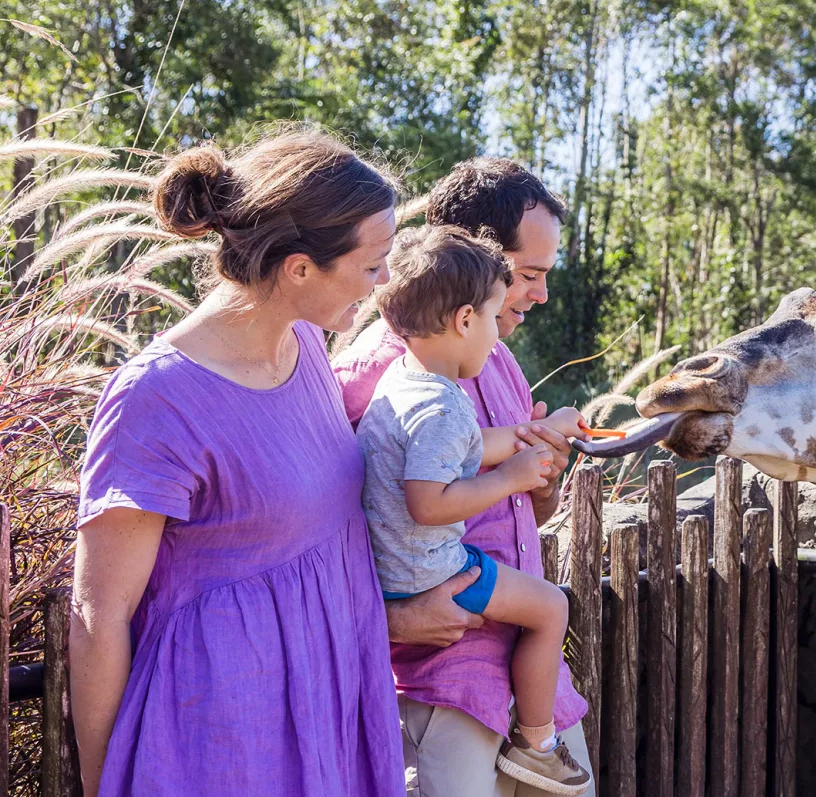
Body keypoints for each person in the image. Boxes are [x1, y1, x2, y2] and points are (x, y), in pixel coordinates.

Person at [70, 128, 403, 797]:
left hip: (326, 702)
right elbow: (98, 613)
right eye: (372, 265)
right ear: (299, 268)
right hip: (217, 741)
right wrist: (103, 783)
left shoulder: (308, 343)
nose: (385, 280)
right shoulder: (157, 398)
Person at [333, 157, 590, 797]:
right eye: (528, 275)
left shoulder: (495, 359)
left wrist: (543, 479)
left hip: (529, 681)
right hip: (442, 688)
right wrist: (395, 619)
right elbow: (323, 536)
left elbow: (519, 515)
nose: (540, 295)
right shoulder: (373, 376)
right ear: (474, 265)